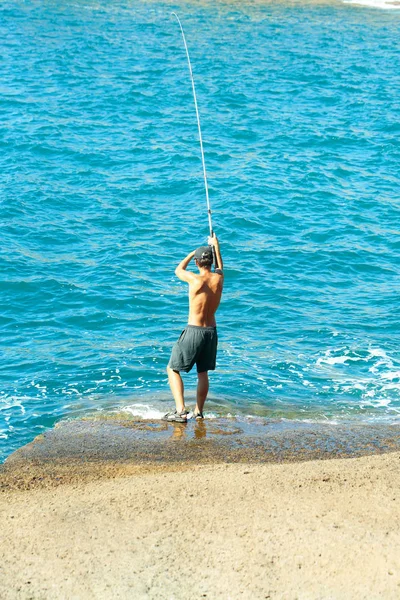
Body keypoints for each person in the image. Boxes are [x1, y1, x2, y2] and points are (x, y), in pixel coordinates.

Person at [163, 233, 224, 423]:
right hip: (211, 333)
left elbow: (178, 270)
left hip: (194, 331)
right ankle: (198, 412)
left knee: (172, 368)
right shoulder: (218, 279)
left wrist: (192, 253)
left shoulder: (194, 280)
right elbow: (220, 267)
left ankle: (180, 411)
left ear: (197, 263)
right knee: (202, 372)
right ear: (211, 262)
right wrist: (216, 246)